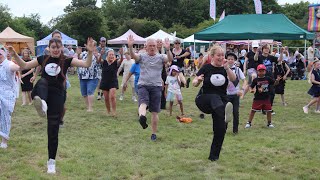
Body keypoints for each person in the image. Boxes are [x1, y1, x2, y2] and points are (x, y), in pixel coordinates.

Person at [7, 37, 94, 174]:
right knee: (42, 82)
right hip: (42, 90)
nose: (55, 50)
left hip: (57, 96)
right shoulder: (42, 58)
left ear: (61, 48)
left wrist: (90, 52)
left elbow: (87, 64)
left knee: (53, 129)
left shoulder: (67, 60)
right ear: (49, 48)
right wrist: (14, 55)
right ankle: (41, 103)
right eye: (53, 47)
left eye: (58, 47)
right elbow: (24, 65)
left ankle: (51, 162)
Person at [193, 45, 236, 161]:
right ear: (212, 56)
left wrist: (227, 68)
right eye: (219, 55)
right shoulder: (206, 68)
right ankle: (225, 113)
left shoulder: (225, 68)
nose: (221, 57)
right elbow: (194, 82)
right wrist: (198, 81)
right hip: (204, 100)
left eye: (223, 55)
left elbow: (233, 79)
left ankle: (213, 157)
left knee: (220, 130)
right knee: (215, 97)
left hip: (220, 104)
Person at [128, 35, 173, 141]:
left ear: (156, 47)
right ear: (146, 47)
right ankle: (142, 117)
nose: (152, 47)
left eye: (154, 46)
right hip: (143, 84)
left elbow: (170, 59)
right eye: (150, 46)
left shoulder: (161, 57)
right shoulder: (142, 56)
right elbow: (134, 56)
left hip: (156, 86)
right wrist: (130, 47)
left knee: (154, 111)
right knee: (143, 102)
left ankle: (153, 133)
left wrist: (168, 49)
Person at [245, 64, 280, 129]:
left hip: (266, 98)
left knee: (269, 111)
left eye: (263, 71)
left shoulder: (268, 78)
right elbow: (251, 86)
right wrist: (251, 90)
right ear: (257, 72)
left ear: (265, 71)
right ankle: (249, 123)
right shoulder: (255, 80)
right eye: (260, 71)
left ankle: (269, 123)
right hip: (257, 98)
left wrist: (277, 81)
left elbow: (274, 83)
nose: (261, 72)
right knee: (253, 110)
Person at [0, 49, 20, 149]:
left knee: (5, 117)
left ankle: (4, 141)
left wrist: (17, 67)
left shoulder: (8, 64)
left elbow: (15, 67)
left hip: (7, 96)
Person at [254, 44, 280, 115]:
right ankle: (262, 109)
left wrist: (282, 53)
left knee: (272, 93)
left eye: (268, 49)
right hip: (262, 78)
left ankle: (269, 108)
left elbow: (279, 60)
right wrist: (257, 51)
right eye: (265, 48)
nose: (266, 50)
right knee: (262, 93)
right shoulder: (260, 57)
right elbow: (255, 59)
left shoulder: (271, 57)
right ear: (262, 49)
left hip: (270, 77)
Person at [225, 52, 246, 134]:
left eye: (232, 59)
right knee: (225, 112)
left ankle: (235, 130)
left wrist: (242, 90)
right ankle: (224, 129)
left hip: (235, 95)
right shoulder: (223, 69)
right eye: (229, 59)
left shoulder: (237, 69)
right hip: (226, 95)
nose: (230, 61)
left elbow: (244, 81)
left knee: (235, 112)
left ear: (235, 60)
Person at [77, 40, 101, 112]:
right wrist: (78, 54)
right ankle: (88, 107)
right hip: (83, 76)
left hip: (93, 76)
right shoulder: (84, 53)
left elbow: (99, 62)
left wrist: (97, 57)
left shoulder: (97, 54)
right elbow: (79, 59)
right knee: (84, 93)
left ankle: (90, 107)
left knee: (90, 91)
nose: (91, 46)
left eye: (93, 45)